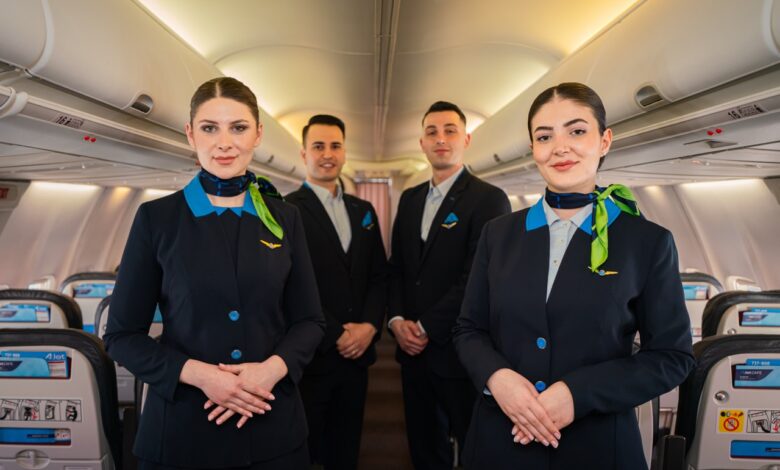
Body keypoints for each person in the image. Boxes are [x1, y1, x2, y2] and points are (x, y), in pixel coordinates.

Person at [453, 82, 695, 469]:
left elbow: (672, 357)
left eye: (577, 131)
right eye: (544, 136)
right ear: (533, 149)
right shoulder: (498, 234)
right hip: (501, 439)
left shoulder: (646, 241)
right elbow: (468, 329)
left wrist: (577, 393)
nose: (560, 147)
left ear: (604, 140)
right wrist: (497, 378)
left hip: (597, 446)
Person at [104, 77, 325, 470]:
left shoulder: (284, 218)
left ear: (258, 134)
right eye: (210, 128)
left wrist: (270, 371)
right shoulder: (157, 219)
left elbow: (310, 321)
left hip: (271, 424)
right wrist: (202, 376)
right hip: (183, 430)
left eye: (238, 128)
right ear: (191, 134)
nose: (224, 143)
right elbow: (121, 337)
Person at [388, 101, 511, 469]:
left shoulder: (489, 199)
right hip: (411, 353)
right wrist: (397, 321)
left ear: (466, 139)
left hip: (460, 352)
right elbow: (398, 269)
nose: (440, 139)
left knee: (474, 445)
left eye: (450, 131)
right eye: (432, 132)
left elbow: (478, 278)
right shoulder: (410, 199)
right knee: (423, 447)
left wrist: (425, 326)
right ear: (422, 143)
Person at [285, 114, 388, 470]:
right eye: (318, 146)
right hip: (312, 355)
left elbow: (379, 276)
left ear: (344, 152)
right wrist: (334, 333)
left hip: (357, 357)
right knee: (306, 449)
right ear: (304, 154)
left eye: (335, 146)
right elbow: (288, 285)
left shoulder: (364, 210)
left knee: (347, 448)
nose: (327, 154)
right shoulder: (286, 210)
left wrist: (370, 326)